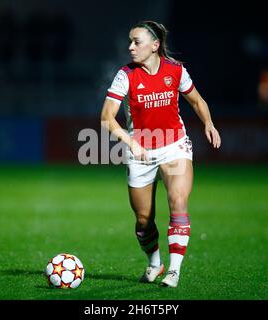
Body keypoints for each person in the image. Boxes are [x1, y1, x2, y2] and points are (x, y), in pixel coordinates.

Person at [100, 21, 221, 288]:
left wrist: (208, 123)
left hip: (174, 145)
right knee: (143, 220)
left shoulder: (175, 71)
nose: (131, 47)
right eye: (130, 42)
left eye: (137, 42)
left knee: (178, 200)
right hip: (140, 150)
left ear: (155, 46)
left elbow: (197, 101)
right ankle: (155, 262)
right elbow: (107, 118)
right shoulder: (125, 75)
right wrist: (130, 142)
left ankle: (174, 271)